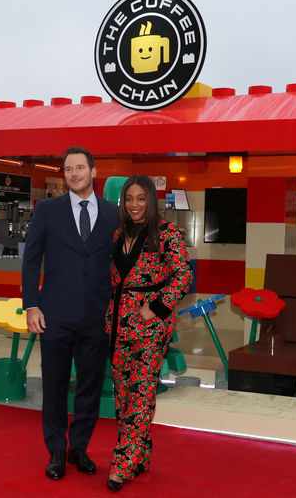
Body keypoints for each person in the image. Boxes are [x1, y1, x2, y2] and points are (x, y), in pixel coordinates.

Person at [22, 146, 119, 481]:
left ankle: (79, 447)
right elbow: (31, 260)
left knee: (90, 385)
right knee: (54, 385)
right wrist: (31, 305)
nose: (74, 173)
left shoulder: (113, 214)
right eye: (68, 169)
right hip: (55, 315)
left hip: (97, 314)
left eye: (80, 167)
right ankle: (56, 451)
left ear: (93, 172)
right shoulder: (47, 210)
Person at [105, 175, 193, 491]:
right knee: (124, 396)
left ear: (151, 200)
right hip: (118, 326)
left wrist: (155, 307)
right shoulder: (118, 234)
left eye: (141, 198)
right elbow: (114, 281)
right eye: (129, 199)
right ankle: (140, 457)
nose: (134, 205)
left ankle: (121, 465)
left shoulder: (166, 232)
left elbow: (184, 276)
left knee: (141, 394)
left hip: (150, 328)